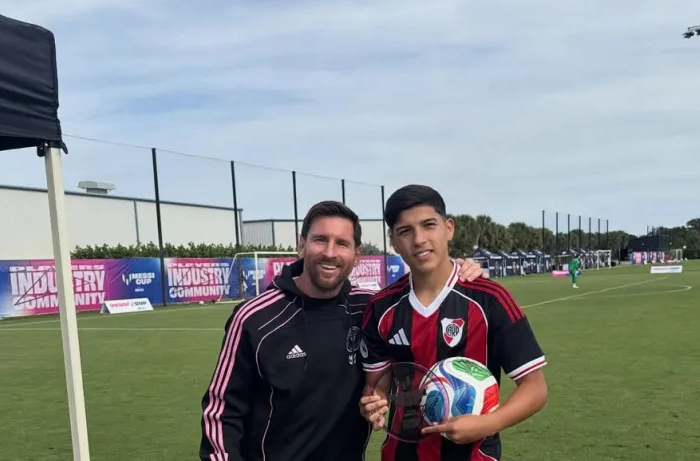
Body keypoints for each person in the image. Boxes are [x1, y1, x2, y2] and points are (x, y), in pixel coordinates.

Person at [198, 200, 487, 461]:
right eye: (320, 240)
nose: (330, 252)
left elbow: (425, 291)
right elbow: (221, 411)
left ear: (357, 254)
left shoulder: (369, 307)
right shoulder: (255, 317)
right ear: (302, 245)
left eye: (342, 243)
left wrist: (460, 268)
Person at [358, 185, 548, 461]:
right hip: (401, 455)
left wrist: (487, 424)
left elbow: (535, 388)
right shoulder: (381, 307)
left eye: (428, 225)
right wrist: (374, 401)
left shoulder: (490, 300)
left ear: (448, 228)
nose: (419, 239)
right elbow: (378, 385)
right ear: (394, 241)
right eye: (405, 231)